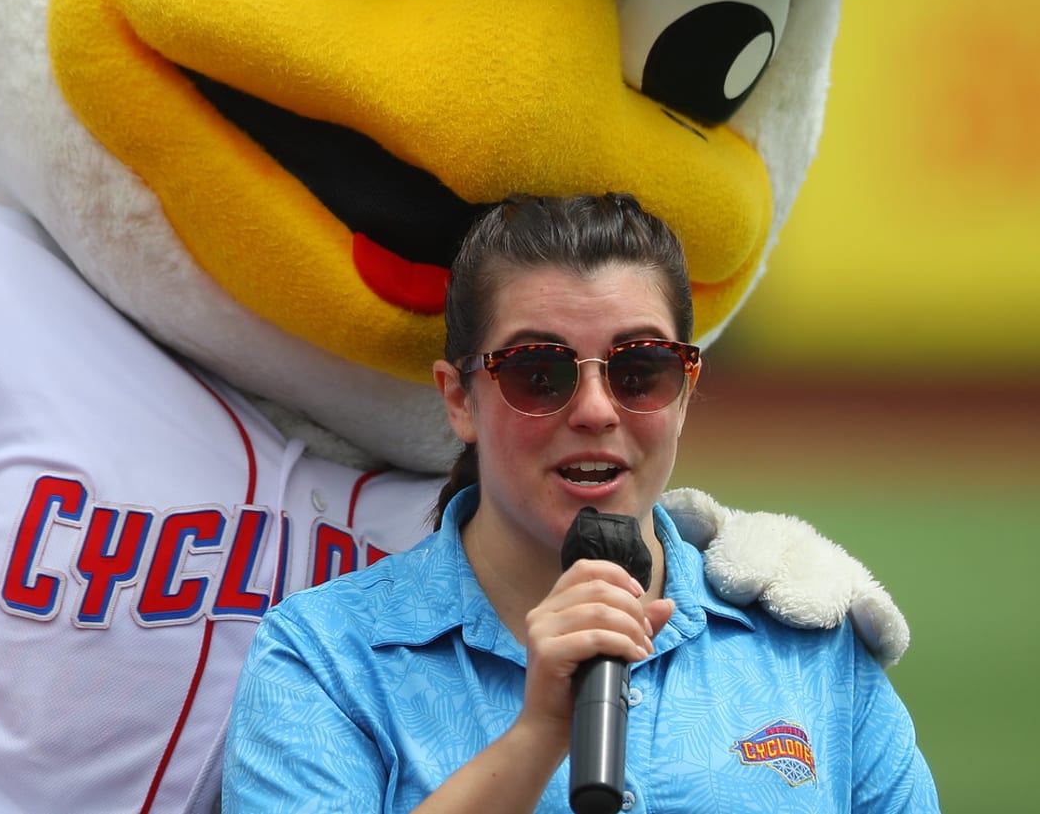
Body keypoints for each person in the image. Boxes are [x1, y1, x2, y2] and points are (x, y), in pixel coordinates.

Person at [222, 194, 939, 812]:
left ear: (685, 390)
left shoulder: (812, 648)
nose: (596, 409)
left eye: (639, 369)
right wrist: (536, 736)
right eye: (539, 372)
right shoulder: (325, 658)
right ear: (458, 398)